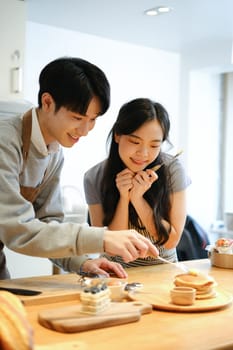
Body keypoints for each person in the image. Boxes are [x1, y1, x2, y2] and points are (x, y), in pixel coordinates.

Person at [0, 59, 158, 279]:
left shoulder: (54, 151)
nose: (84, 130)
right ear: (47, 102)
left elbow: (48, 223)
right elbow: (17, 229)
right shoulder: (5, 141)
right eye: (77, 118)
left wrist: (83, 263)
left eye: (92, 119)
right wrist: (102, 238)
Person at [84, 97, 191, 267]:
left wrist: (138, 199)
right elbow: (110, 247)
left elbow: (171, 241)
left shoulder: (172, 170)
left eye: (154, 146)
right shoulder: (94, 177)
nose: (144, 153)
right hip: (116, 273)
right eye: (135, 142)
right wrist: (124, 198)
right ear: (118, 135)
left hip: (163, 271)